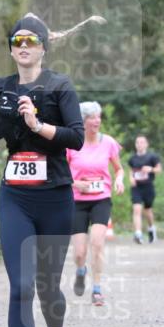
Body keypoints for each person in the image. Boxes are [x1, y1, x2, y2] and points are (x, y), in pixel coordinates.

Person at [0, 14, 84, 327]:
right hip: (15, 197)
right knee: (20, 287)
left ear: (42, 47)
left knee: (47, 287)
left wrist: (38, 126)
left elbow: (77, 138)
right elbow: (2, 129)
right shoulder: (1, 87)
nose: (24, 46)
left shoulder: (59, 86)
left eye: (31, 40)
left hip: (55, 197)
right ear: (10, 48)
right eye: (17, 40)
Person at [66, 102, 124, 307]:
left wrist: (119, 180)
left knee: (97, 243)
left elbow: (118, 169)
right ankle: (81, 271)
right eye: (92, 117)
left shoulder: (108, 142)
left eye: (98, 117)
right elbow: (60, 172)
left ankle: (97, 289)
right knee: (80, 252)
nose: (96, 121)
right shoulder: (72, 143)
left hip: (101, 199)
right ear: (83, 121)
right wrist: (75, 183)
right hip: (77, 201)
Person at [127, 135, 162, 243]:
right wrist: (131, 178)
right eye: (137, 142)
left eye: (142, 142)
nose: (139, 144)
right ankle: (138, 234)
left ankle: (151, 229)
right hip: (136, 187)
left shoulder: (152, 157)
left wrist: (151, 169)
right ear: (135, 145)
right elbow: (130, 170)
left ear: (146, 144)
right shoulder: (132, 158)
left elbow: (159, 169)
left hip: (148, 187)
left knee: (148, 211)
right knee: (137, 209)